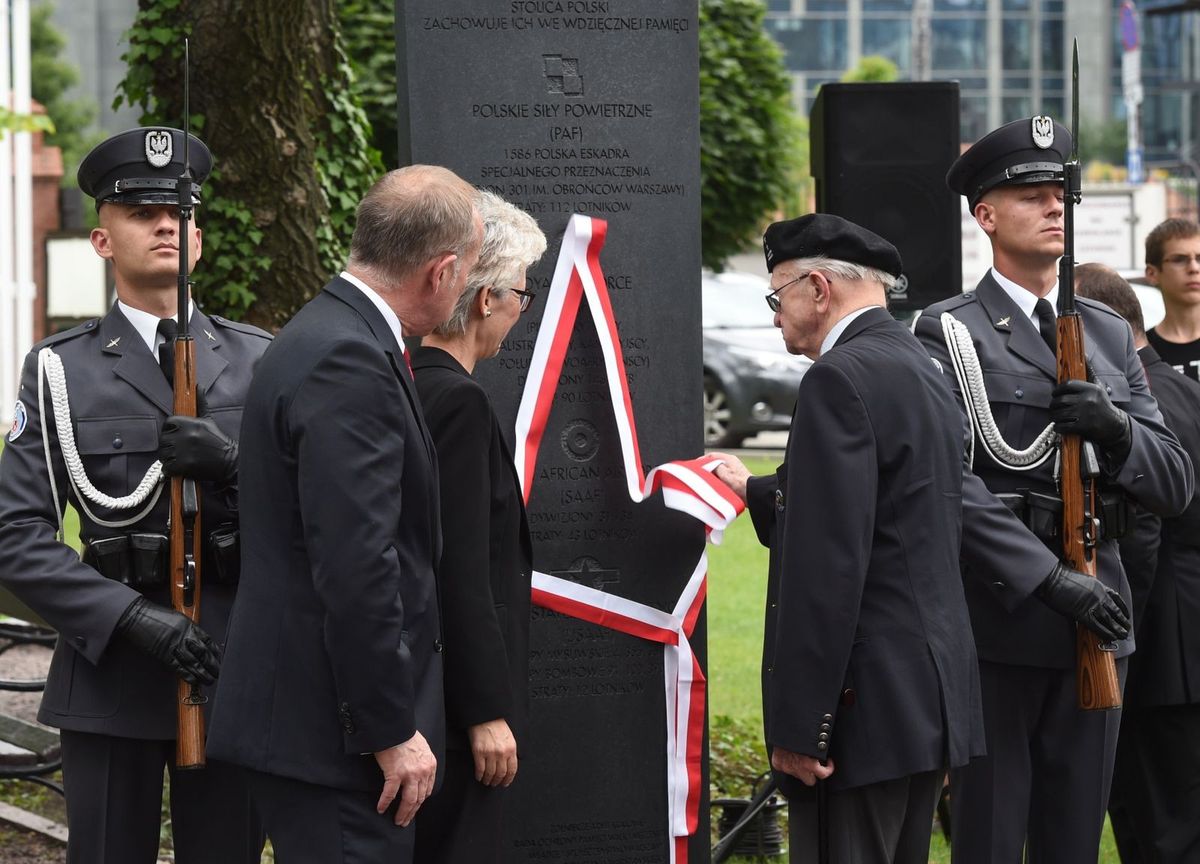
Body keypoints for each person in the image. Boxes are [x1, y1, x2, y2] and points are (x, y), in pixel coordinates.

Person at [914, 116, 1191, 864]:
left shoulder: (1103, 332)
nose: (1052, 207)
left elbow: (1175, 481)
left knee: (1073, 839)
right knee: (994, 837)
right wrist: (1050, 582)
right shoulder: (947, 333)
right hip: (1002, 625)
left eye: (1058, 194)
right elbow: (950, 484)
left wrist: (1117, 429)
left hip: (1099, 622)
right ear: (985, 215)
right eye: (1031, 194)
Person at [0, 127, 270, 863]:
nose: (165, 225)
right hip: (112, 670)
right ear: (101, 239)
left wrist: (236, 468)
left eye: (181, 212)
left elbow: (314, 518)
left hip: (232, 665)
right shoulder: (59, 371)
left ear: (200, 236)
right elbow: (15, 534)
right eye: (141, 211)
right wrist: (131, 620)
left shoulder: (260, 362)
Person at [206, 165, 484, 863]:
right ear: (441, 271)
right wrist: (389, 729)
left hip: (315, 726)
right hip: (337, 741)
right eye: (471, 271)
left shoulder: (329, 330)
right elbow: (358, 564)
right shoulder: (347, 357)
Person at [713, 213, 986, 864]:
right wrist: (757, 490)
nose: (776, 314)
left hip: (859, 716)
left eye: (776, 296)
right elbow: (896, 512)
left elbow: (826, 568)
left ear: (817, 287)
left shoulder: (838, 380)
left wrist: (804, 728)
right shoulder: (918, 364)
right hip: (923, 703)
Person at [409, 190, 546, 864]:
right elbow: (458, 566)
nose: (523, 312)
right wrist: (484, 711)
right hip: (454, 716)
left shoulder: (410, 381)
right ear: (486, 298)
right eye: (522, 294)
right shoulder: (456, 401)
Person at [1075, 263, 1200, 863]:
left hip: (1159, 637)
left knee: (1155, 822)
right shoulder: (1185, 389)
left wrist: (1121, 633)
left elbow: (1145, 527)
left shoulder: (1136, 404)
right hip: (1188, 628)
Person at [1144, 218, 1200, 383]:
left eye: (1199, 258)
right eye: (1179, 259)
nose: (1194, 268)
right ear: (1152, 273)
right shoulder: (1142, 352)